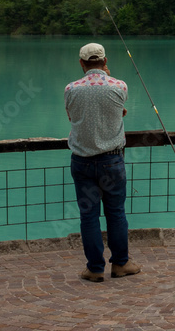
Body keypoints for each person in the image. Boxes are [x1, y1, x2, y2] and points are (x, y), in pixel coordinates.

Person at [65, 42, 141, 282]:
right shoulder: (119, 86)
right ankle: (120, 264)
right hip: (112, 161)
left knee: (88, 216)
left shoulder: (71, 89)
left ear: (81, 63)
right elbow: (116, 110)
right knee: (116, 213)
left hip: (82, 161)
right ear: (105, 61)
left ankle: (95, 268)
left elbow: (72, 116)